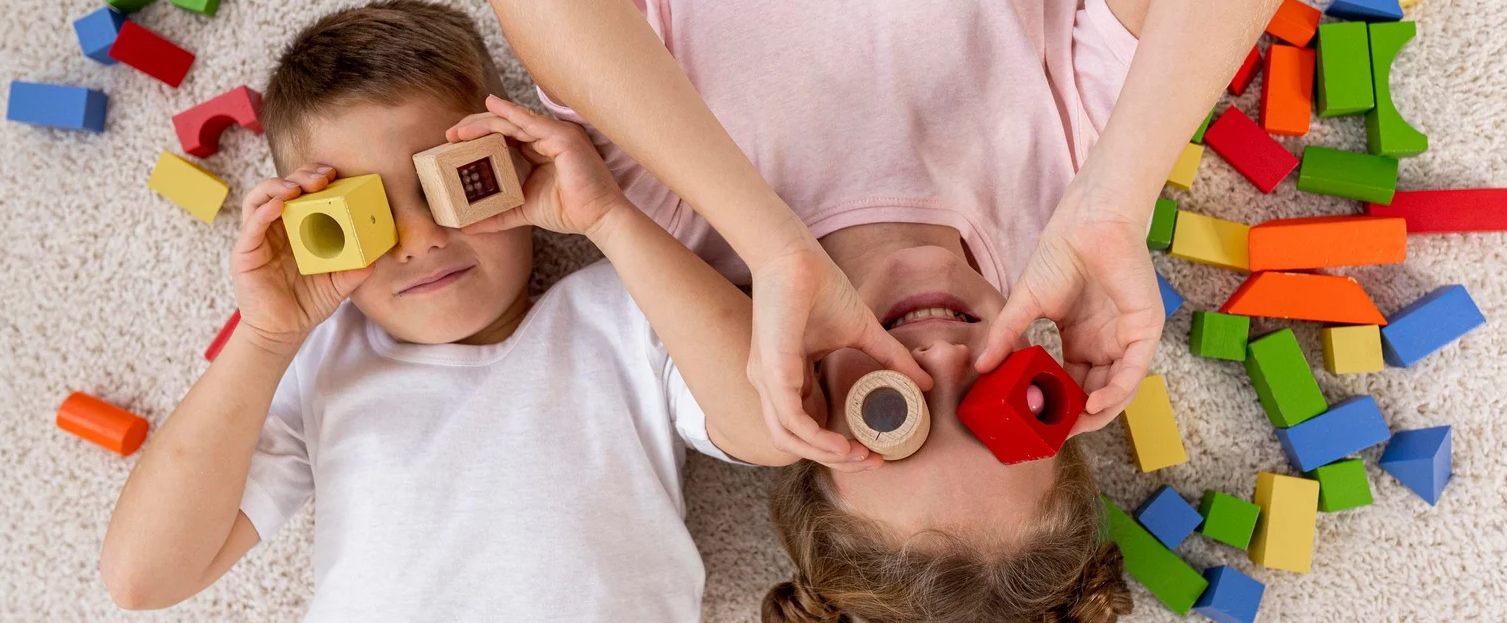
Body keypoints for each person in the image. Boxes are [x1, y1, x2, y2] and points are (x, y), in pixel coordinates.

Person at [474, 0, 1282, 619]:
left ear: (808, 407)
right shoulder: (1072, 183)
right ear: (1055, 383)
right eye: (997, 405)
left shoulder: (681, 200)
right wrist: (1117, 201)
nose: (940, 362)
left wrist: (773, 243)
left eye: (889, 413)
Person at [97, 2, 797, 620]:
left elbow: (773, 425)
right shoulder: (322, 357)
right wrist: (265, 336)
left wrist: (606, 215)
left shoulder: (620, 310)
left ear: (519, 165)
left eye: (453, 185)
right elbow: (142, 577)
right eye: (362, 216)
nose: (422, 239)